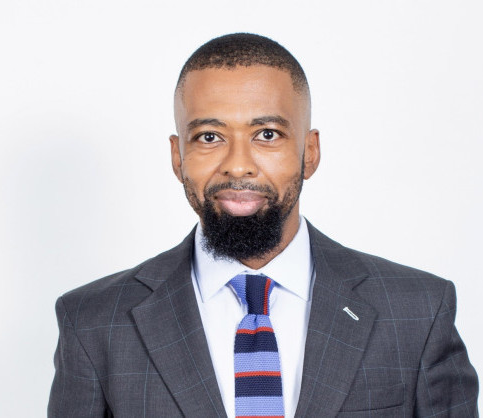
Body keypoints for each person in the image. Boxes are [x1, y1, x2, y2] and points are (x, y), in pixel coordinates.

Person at [48, 33, 478, 417]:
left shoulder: (418, 312)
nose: (238, 165)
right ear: (178, 157)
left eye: (267, 134)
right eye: (209, 137)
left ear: (310, 152)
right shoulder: (93, 323)